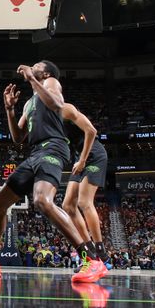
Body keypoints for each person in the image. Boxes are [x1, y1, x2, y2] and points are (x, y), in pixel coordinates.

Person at [0, 61, 106, 283]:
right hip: (35, 153)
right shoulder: (29, 103)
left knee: (42, 200)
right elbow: (18, 138)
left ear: (45, 72)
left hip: (55, 147)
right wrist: (9, 109)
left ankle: (92, 260)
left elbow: (57, 103)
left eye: (37, 65)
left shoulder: (51, 82)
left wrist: (32, 78)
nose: (32, 66)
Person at [60, 102, 109, 270]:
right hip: (78, 158)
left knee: (84, 202)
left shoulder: (65, 108)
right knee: (67, 205)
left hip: (93, 156)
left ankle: (101, 251)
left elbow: (91, 131)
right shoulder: (48, 118)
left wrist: (82, 160)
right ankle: (90, 251)